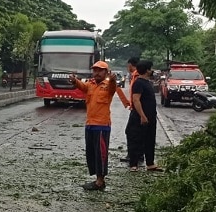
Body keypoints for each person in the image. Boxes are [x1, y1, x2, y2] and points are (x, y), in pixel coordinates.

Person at [69, 61, 117, 191]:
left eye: (100, 70)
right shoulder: (90, 84)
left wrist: (112, 80)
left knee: (100, 154)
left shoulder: (108, 86)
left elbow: (113, 87)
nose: (96, 73)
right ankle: (97, 178)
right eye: (95, 70)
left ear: (106, 72)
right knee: (91, 154)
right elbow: (82, 86)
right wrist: (75, 81)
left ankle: (100, 182)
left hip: (102, 126)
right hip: (90, 125)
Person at [125, 60, 162, 172]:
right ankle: (133, 164)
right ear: (146, 70)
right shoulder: (138, 82)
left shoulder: (147, 83)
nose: (152, 71)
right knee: (136, 139)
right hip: (139, 117)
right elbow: (136, 100)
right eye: (150, 69)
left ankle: (150, 163)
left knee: (150, 139)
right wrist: (142, 115)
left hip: (150, 117)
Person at [120, 57, 140, 163]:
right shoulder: (134, 76)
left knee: (131, 132)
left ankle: (133, 156)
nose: (127, 67)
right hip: (135, 107)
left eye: (128, 65)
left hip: (136, 109)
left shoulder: (136, 76)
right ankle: (137, 155)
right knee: (135, 133)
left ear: (131, 65)